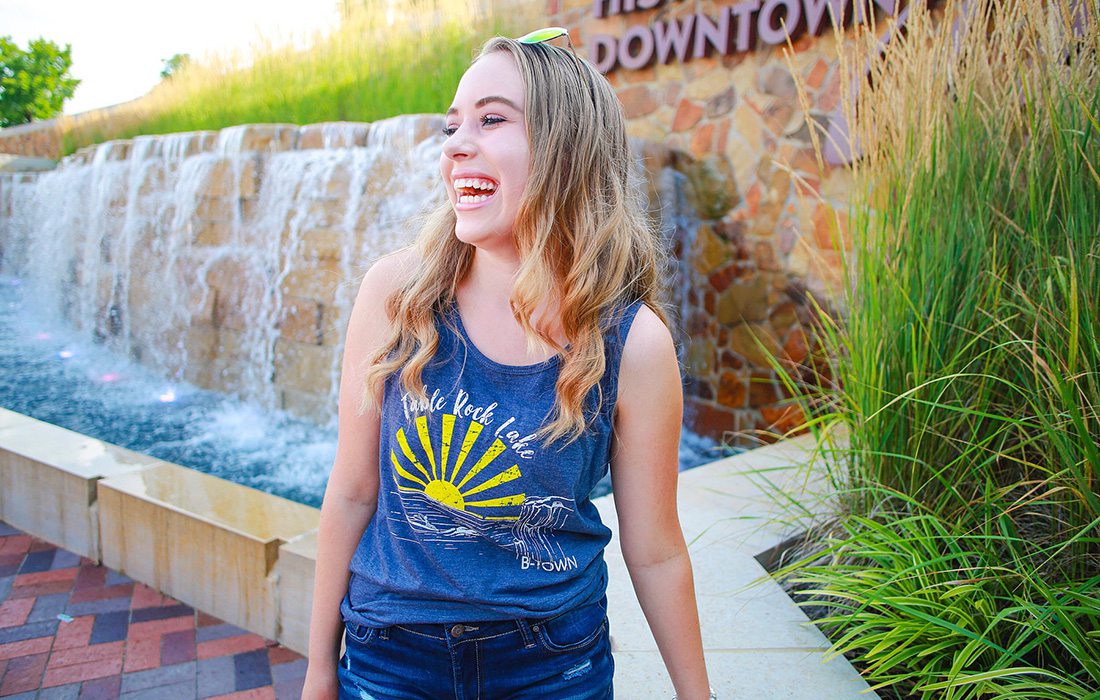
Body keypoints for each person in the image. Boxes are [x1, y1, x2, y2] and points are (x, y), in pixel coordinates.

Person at [301, 29, 713, 700]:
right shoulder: (397, 296)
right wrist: (320, 670)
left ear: (567, 151)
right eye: (452, 125)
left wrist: (698, 695)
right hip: (389, 656)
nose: (457, 143)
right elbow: (351, 492)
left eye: (491, 119)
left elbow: (657, 549)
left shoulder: (632, 344)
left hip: (551, 663)